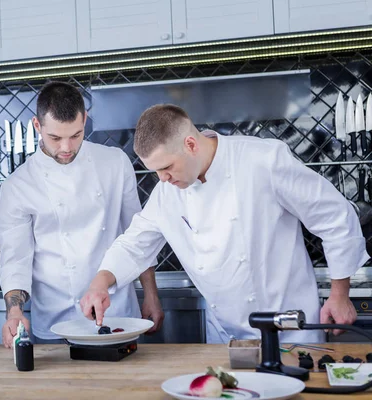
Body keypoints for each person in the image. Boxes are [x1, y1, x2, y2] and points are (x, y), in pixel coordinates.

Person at [80, 104, 369, 344]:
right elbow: (134, 244)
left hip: (291, 332)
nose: (162, 179)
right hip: (226, 339)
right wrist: (100, 282)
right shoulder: (167, 192)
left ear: (190, 144)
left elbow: (333, 215)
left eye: (166, 167)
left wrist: (339, 293)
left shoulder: (262, 160)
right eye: (156, 172)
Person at [0, 82, 163, 347]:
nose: (66, 147)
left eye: (75, 135)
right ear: (37, 126)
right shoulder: (18, 185)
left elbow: (137, 235)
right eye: (55, 138)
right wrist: (14, 311)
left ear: (85, 119)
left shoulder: (115, 163)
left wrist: (151, 294)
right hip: (56, 317)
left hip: (117, 311)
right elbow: (16, 258)